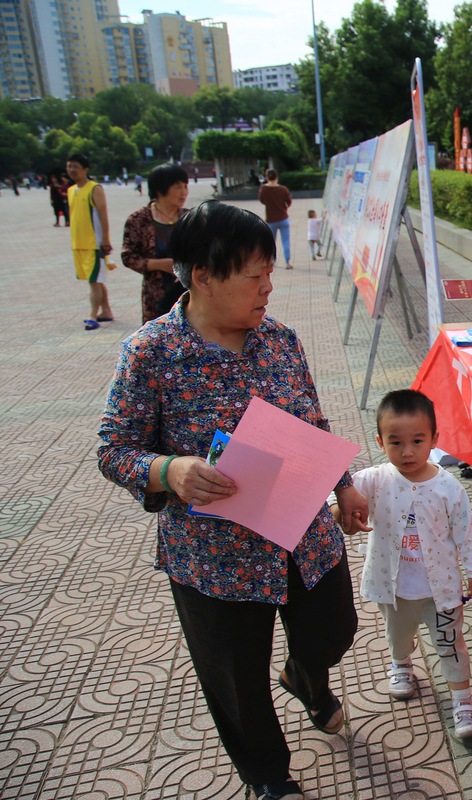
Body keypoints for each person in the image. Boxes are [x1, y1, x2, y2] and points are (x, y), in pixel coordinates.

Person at [97, 201, 370, 800]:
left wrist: (342, 483)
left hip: (303, 536)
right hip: (213, 560)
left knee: (334, 630)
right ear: (202, 275)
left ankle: (305, 675)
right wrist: (169, 469)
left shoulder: (281, 341)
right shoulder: (152, 353)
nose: (268, 288)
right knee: (238, 683)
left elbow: (312, 420)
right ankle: (269, 777)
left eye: (269, 273)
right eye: (254, 276)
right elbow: (114, 449)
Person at [329, 389, 472, 740]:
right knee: (397, 636)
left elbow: (465, 530)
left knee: (450, 643)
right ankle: (401, 665)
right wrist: (338, 508)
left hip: (441, 590)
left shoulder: (448, 487)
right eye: (395, 442)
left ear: (434, 439)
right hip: (394, 588)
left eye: (418, 440)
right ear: (380, 441)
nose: (408, 451)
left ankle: (462, 701)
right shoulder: (374, 479)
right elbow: (338, 491)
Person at [121, 163, 191, 323]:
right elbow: (128, 257)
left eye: (186, 186)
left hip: (189, 294)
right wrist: (160, 264)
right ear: (160, 189)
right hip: (156, 295)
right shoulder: (139, 220)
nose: (184, 192)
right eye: (178, 187)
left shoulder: (190, 218)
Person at [66, 154, 114, 328]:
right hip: (78, 244)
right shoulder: (71, 190)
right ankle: (106, 311)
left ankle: (93, 315)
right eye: (69, 166)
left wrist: (105, 239)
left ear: (85, 169)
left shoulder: (94, 189)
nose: (71, 170)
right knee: (96, 279)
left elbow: (103, 215)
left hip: (94, 244)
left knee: (94, 281)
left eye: (75, 167)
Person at [259, 169, 293, 269]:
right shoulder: (283, 189)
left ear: (267, 177)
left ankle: (271, 261)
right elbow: (289, 202)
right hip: (283, 218)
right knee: (286, 241)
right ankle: (287, 262)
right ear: (277, 177)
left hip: (270, 220)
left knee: (271, 242)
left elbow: (262, 201)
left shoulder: (264, 189)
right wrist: (283, 207)